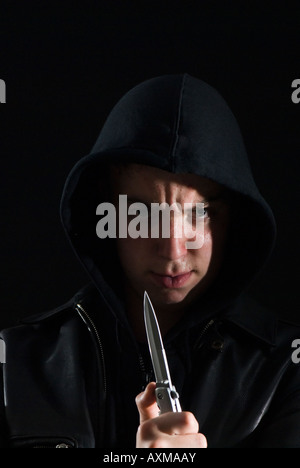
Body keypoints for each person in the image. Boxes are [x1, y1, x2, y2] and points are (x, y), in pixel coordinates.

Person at [1, 73, 300, 448]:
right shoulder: (13, 366)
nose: (173, 250)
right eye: (141, 215)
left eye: (200, 213)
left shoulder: (286, 372)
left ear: (234, 222)